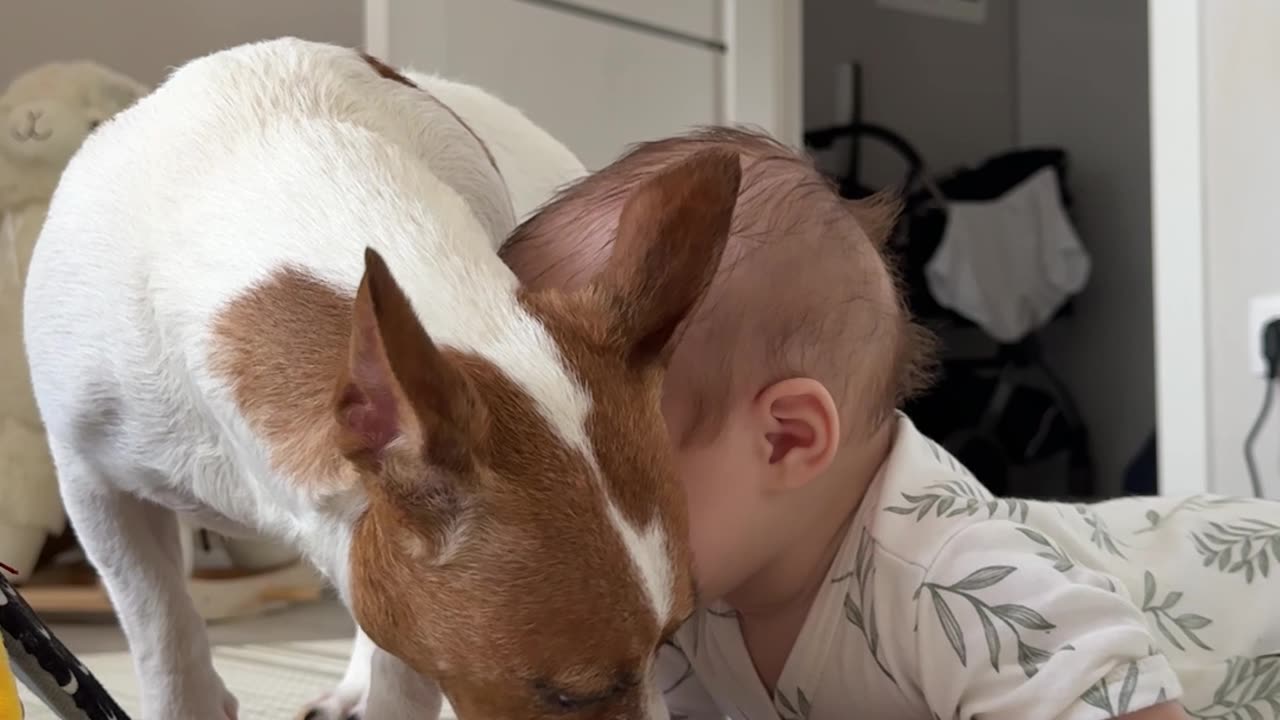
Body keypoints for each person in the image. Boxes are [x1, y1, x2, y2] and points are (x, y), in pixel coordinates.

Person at [500, 126, 1280, 720]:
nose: (550, 526)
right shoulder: (698, 596)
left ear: (787, 439)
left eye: (598, 477)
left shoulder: (955, 583)